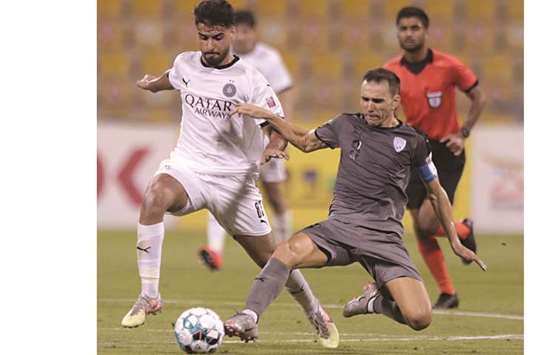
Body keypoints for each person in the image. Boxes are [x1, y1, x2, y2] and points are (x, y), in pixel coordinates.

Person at [120, 0, 339, 348]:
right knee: (154, 195)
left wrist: (271, 146)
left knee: (273, 260)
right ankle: (149, 295)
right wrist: (152, 85)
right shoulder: (185, 62)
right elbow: (173, 78)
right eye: (203, 37)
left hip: (235, 181)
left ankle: (315, 311)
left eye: (216, 38)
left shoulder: (250, 79)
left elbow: (275, 123)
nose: (208, 46)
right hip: (189, 168)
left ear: (232, 33)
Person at [222, 68, 486, 342]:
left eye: (378, 101)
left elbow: (436, 193)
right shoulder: (346, 125)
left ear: (395, 102)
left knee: (420, 318)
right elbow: (304, 142)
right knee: (285, 252)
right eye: (365, 99)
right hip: (339, 229)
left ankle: (375, 302)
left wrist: (455, 241)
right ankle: (249, 316)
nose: (369, 107)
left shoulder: (413, 142)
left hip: (383, 239)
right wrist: (269, 117)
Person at [383, 6, 487, 309]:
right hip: (412, 149)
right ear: (398, 32)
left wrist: (463, 132)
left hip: (445, 150)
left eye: (414, 28)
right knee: (420, 226)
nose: (409, 34)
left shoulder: (449, 65)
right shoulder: (391, 70)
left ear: (426, 31)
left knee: (428, 223)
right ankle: (448, 291)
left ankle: (464, 230)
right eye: (403, 28)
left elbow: (479, 96)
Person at [198, 10, 295, 272]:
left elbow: (284, 95)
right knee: (219, 193)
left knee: (275, 195)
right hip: (234, 141)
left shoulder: (269, 58)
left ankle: (287, 249)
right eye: (236, 30)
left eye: (245, 30)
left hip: (266, 136)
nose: (240, 35)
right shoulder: (221, 58)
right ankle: (214, 251)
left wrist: (282, 133)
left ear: (254, 31)